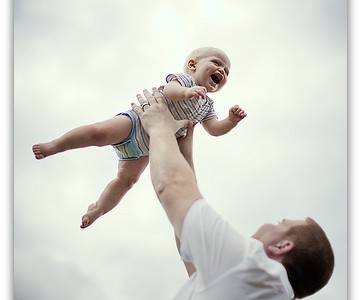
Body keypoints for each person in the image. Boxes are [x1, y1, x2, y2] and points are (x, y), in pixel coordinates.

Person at [131, 88, 334, 299]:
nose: (269, 224)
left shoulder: (254, 268)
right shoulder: (260, 288)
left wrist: (159, 127)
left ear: (282, 246)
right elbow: (189, 239)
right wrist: (185, 157)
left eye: (279, 223)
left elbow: (172, 186)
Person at [32, 46, 247, 229]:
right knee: (98, 133)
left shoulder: (207, 106)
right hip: (135, 123)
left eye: (227, 71)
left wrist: (230, 120)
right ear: (193, 65)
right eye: (217, 63)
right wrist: (185, 93)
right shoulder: (185, 81)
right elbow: (170, 90)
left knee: (127, 181)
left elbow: (214, 129)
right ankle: (56, 145)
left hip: (147, 148)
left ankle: (98, 209)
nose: (222, 71)